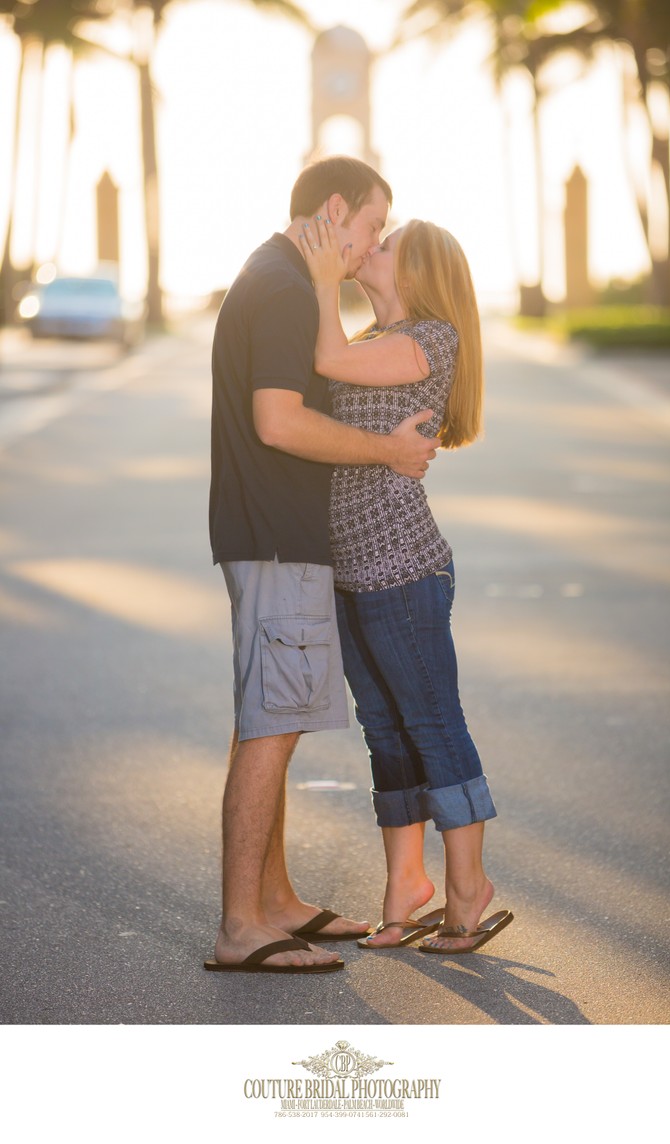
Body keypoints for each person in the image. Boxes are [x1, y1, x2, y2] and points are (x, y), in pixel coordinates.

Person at [205, 158, 440, 974]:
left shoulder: (279, 277)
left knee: (270, 720)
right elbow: (279, 422)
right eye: (374, 226)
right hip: (276, 537)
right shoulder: (277, 287)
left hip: (274, 537)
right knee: (269, 731)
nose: (372, 243)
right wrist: (388, 452)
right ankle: (243, 927)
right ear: (336, 208)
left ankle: (274, 903)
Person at [299, 216, 513, 954]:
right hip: (348, 570)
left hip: (402, 568)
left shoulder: (429, 340)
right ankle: (405, 887)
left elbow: (321, 357)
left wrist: (323, 280)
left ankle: (467, 888)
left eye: (384, 244)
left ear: (417, 274)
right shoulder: (365, 341)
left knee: (431, 726)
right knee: (383, 729)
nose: (369, 248)